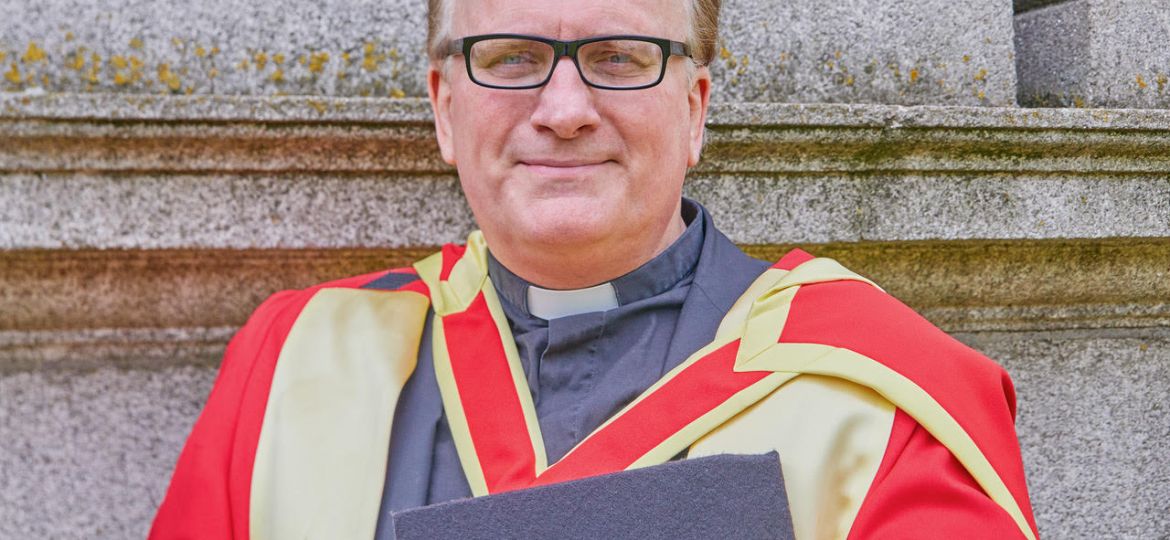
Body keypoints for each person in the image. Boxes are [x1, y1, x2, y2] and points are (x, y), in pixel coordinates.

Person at [151, 0, 1039, 538]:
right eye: (510, 58)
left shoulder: (887, 399)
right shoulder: (292, 364)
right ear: (444, 108)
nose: (565, 109)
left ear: (694, 110)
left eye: (618, 57)